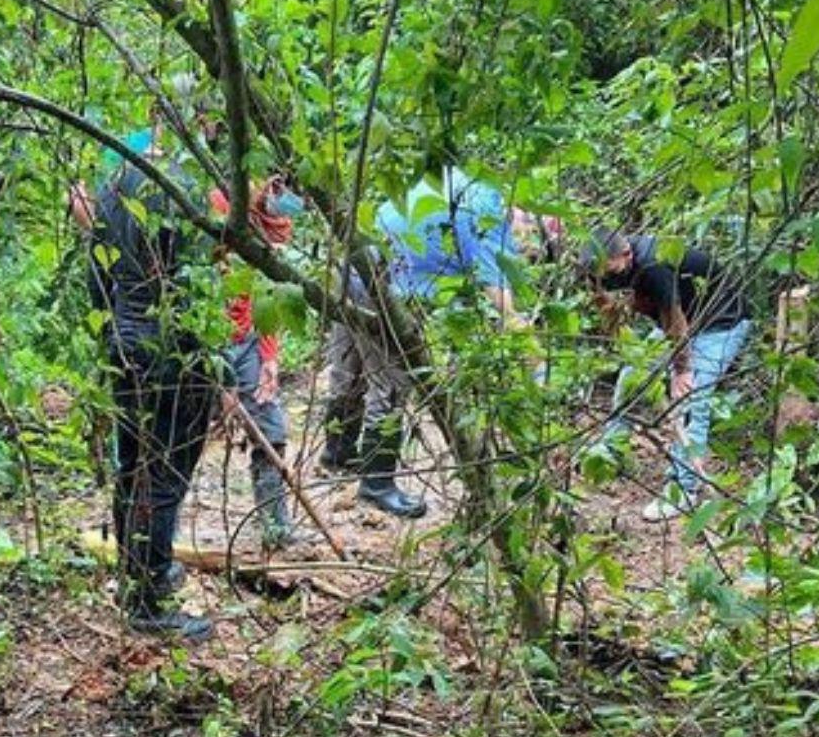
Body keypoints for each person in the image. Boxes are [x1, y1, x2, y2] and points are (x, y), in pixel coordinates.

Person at [319, 169, 538, 519]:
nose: (525, 241)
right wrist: (525, 339)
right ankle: (377, 484)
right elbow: (495, 289)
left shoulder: (455, 182)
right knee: (389, 381)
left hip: (351, 266)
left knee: (349, 368)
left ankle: (337, 451)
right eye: (528, 234)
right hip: (386, 285)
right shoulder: (488, 209)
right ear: (521, 211)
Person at [87, 123, 215, 641]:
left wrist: (109, 327)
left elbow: (97, 272)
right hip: (168, 346)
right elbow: (198, 280)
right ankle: (147, 596)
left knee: (134, 462)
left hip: (125, 339)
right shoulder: (187, 186)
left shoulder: (113, 180)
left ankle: (139, 571)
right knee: (164, 471)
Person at [584, 230, 751, 521]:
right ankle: (609, 454)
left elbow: (675, 321)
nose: (609, 278)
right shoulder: (595, 265)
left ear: (627, 255)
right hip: (677, 321)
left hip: (719, 322)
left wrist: (682, 370)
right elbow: (605, 305)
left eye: (612, 272)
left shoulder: (654, 265)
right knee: (632, 378)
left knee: (690, 398)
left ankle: (681, 490)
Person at [209, 176, 306, 548]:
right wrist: (224, 378)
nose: (280, 200)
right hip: (208, 337)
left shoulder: (277, 226)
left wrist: (269, 358)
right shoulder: (218, 209)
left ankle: (276, 529)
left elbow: (269, 295)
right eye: (274, 189)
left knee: (270, 429)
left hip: (249, 337)